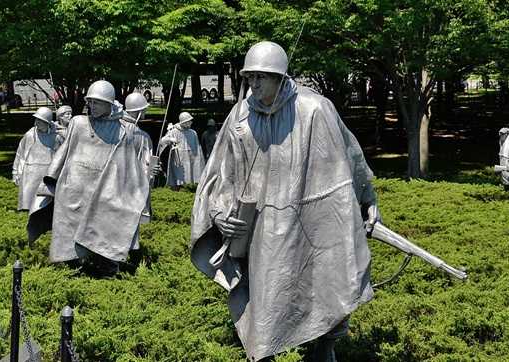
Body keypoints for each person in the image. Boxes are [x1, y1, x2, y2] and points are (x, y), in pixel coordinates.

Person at [190, 41, 379, 361]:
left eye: (261, 77)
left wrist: (368, 198)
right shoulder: (240, 114)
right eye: (249, 78)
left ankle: (324, 348)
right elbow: (222, 171)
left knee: (325, 288)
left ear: (279, 76)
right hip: (263, 228)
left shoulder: (316, 108)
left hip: (315, 220)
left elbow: (349, 156)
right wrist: (220, 211)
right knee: (265, 306)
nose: (253, 84)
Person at [37, 80, 149, 276]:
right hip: (73, 186)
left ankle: (105, 266)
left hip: (102, 188)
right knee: (70, 229)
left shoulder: (122, 132)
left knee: (102, 228)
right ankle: (72, 266)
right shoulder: (78, 123)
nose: (92, 106)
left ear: (109, 103)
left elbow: (129, 166)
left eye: (97, 102)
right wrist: (50, 179)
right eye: (90, 102)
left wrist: (136, 193)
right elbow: (64, 152)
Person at [121, 92, 161, 247]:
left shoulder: (113, 129)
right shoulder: (143, 136)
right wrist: (151, 171)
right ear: (138, 112)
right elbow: (146, 169)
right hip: (133, 188)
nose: (145, 113)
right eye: (143, 110)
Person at [12, 107, 57, 212]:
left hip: (46, 172)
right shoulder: (30, 135)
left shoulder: (56, 137)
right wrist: (16, 173)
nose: (37, 123)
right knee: (28, 199)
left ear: (47, 123)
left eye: (40, 121)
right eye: (36, 120)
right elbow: (20, 155)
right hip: (30, 172)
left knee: (45, 203)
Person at [159, 111, 205, 190]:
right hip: (178, 159)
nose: (190, 123)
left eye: (190, 121)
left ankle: (189, 188)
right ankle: (178, 189)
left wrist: (198, 159)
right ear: (183, 122)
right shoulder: (173, 131)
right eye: (188, 121)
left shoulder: (193, 133)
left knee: (190, 175)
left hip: (191, 158)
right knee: (179, 178)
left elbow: (198, 148)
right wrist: (169, 139)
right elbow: (162, 142)